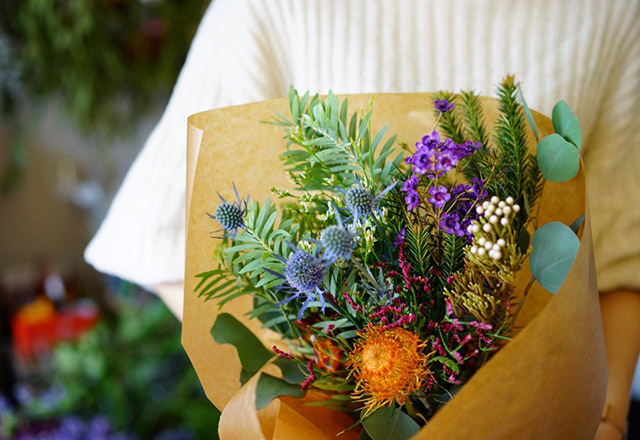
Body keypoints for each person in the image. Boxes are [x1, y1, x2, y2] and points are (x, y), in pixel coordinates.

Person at [85, 0, 640, 438]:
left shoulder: (610, 12)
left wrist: (608, 420)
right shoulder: (268, 7)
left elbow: (619, 257)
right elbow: (162, 237)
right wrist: (322, 399)